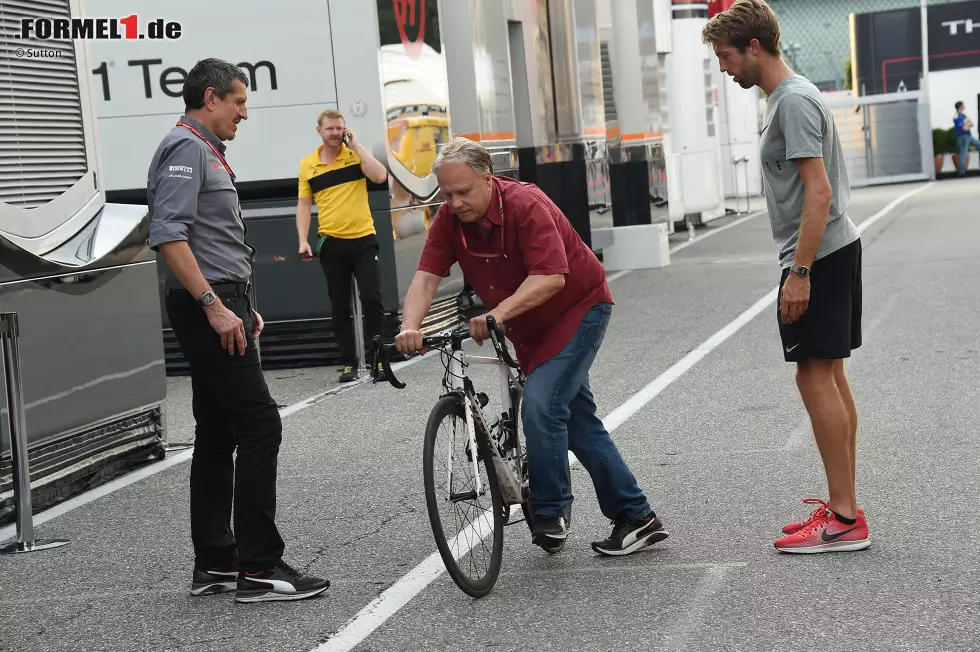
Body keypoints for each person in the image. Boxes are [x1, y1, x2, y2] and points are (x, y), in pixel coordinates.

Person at [394, 137, 669, 557]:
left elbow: (551, 277)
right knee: (576, 422)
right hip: (526, 323)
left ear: (489, 179)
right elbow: (427, 276)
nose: (455, 203)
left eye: (464, 192)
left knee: (542, 405)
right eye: (447, 194)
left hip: (579, 309)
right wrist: (410, 325)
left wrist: (497, 315)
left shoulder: (526, 205)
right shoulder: (449, 220)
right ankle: (637, 517)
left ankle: (549, 510)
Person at [147, 57, 331, 601]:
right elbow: (169, 236)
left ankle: (217, 561)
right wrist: (214, 304)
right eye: (238, 102)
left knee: (219, 430)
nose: (244, 113)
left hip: (221, 300)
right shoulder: (185, 147)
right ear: (210, 98)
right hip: (208, 304)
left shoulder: (201, 150)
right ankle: (260, 567)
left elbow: (206, 239)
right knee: (259, 427)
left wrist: (237, 301)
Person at [703, 0, 871, 554]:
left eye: (726, 57)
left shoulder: (793, 102)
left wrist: (798, 273)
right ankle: (844, 507)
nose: (724, 69)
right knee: (830, 374)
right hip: (833, 249)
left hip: (818, 255)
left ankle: (844, 518)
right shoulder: (791, 96)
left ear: (754, 47)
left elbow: (817, 192)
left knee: (813, 376)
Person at [296, 109, 390, 382]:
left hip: (363, 239)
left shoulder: (355, 156)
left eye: (340, 128)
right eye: (330, 129)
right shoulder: (308, 164)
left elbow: (380, 177)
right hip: (332, 243)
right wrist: (303, 239)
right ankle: (349, 362)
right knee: (340, 306)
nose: (335, 133)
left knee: (372, 299)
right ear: (320, 131)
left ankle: (378, 362)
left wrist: (357, 146)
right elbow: (303, 205)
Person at [953, 101, 980, 176]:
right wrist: (968, 125)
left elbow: (971, 124)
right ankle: (961, 172)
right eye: (963, 105)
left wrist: (967, 125)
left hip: (968, 136)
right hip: (963, 137)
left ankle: (962, 171)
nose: (964, 106)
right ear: (960, 107)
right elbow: (964, 128)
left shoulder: (964, 115)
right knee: (963, 153)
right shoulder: (957, 116)